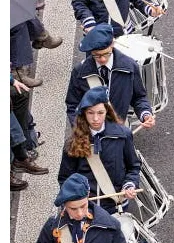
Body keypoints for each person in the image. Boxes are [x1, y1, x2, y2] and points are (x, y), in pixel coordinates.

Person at [58, 86, 141, 214]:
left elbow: (133, 167)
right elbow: (65, 178)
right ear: (84, 113)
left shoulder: (123, 135)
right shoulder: (72, 142)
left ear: (107, 112)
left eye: (100, 113)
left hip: (116, 204)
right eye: (90, 113)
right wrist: (74, 199)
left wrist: (129, 185)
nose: (95, 119)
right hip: (86, 208)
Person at [65, 23, 154, 129]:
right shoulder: (79, 71)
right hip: (90, 133)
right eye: (97, 55)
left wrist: (145, 114)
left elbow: (139, 97)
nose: (102, 59)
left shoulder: (130, 67)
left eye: (106, 54)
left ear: (112, 44)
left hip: (119, 131)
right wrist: (80, 130)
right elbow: (73, 105)